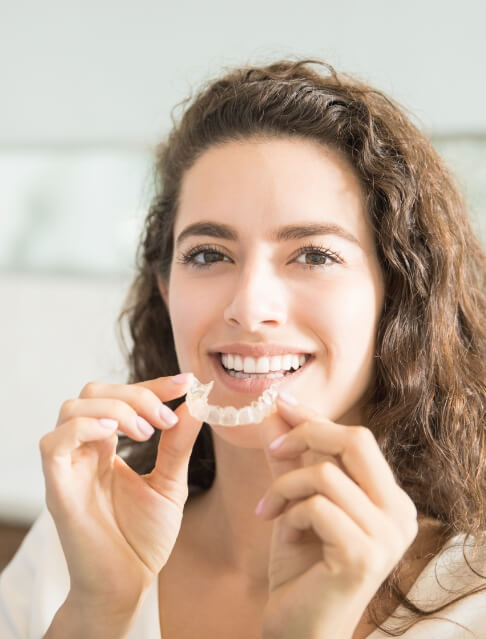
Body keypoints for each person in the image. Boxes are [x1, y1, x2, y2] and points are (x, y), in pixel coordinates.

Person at [1, 57, 485, 639]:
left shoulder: (470, 602)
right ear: (166, 288)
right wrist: (97, 612)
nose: (249, 308)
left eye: (314, 255)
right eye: (208, 254)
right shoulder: (68, 553)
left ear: (398, 294)